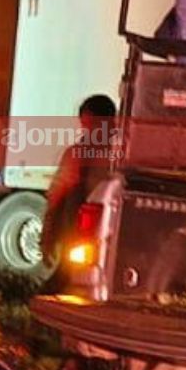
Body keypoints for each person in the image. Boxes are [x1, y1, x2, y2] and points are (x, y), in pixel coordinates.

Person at [43, 93, 117, 266]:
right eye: (86, 126)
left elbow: (56, 197)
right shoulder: (78, 154)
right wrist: (48, 235)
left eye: (92, 126)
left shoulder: (120, 156)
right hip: (80, 240)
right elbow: (56, 196)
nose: (88, 132)